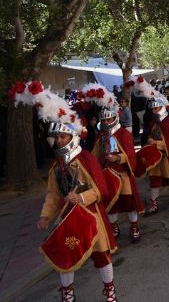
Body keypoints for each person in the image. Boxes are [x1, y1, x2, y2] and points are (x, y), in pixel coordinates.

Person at [10, 81, 119, 302]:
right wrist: (45, 216)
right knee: (64, 255)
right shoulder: (55, 166)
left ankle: (109, 290)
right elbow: (52, 195)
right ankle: (68, 293)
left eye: (63, 136)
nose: (59, 140)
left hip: (90, 216)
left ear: (72, 136)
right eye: (56, 137)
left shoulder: (87, 159)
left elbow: (101, 190)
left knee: (102, 255)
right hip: (66, 217)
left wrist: (81, 197)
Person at [83, 83, 144, 244]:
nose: (106, 121)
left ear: (115, 117)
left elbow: (131, 153)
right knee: (111, 204)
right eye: (104, 119)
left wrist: (118, 158)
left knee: (129, 203)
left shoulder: (123, 134)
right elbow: (94, 156)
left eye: (109, 118)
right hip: (106, 176)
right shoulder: (100, 137)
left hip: (123, 175)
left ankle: (134, 226)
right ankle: (114, 226)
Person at [134, 77, 169, 214]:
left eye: (156, 108)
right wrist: (150, 142)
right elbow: (151, 136)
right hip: (156, 157)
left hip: (168, 156)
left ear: (162, 108)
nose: (154, 111)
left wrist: (156, 143)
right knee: (155, 180)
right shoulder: (153, 123)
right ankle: (154, 204)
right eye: (153, 109)